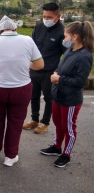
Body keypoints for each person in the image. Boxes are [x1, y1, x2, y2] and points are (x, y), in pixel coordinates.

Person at [0, 16, 44, 167]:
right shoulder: (27, 40)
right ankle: (10, 156)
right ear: (16, 29)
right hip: (21, 89)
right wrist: (26, 64)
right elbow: (39, 65)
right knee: (16, 122)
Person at [40, 21, 94, 168]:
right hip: (58, 95)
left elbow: (80, 81)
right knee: (58, 124)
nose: (64, 39)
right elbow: (61, 67)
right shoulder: (70, 51)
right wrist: (57, 73)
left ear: (75, 37)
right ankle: (57, 146)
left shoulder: (85, 56)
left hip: (71, 100)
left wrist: (59, 78)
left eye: (65, 36)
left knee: (68, 127)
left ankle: (66, 154)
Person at [23, 2, 66, 134]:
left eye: (49, 17)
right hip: (34, 69)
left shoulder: (62, 32)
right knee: (33, 96)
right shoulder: (39, 27)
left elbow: (66, 54)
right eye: (44, 16)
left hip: (50, 71)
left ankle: (45, 122)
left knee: (49, 98)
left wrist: (59, 72)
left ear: (57, 17)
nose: (46, 19)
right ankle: (34, 119)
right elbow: (31, 46)